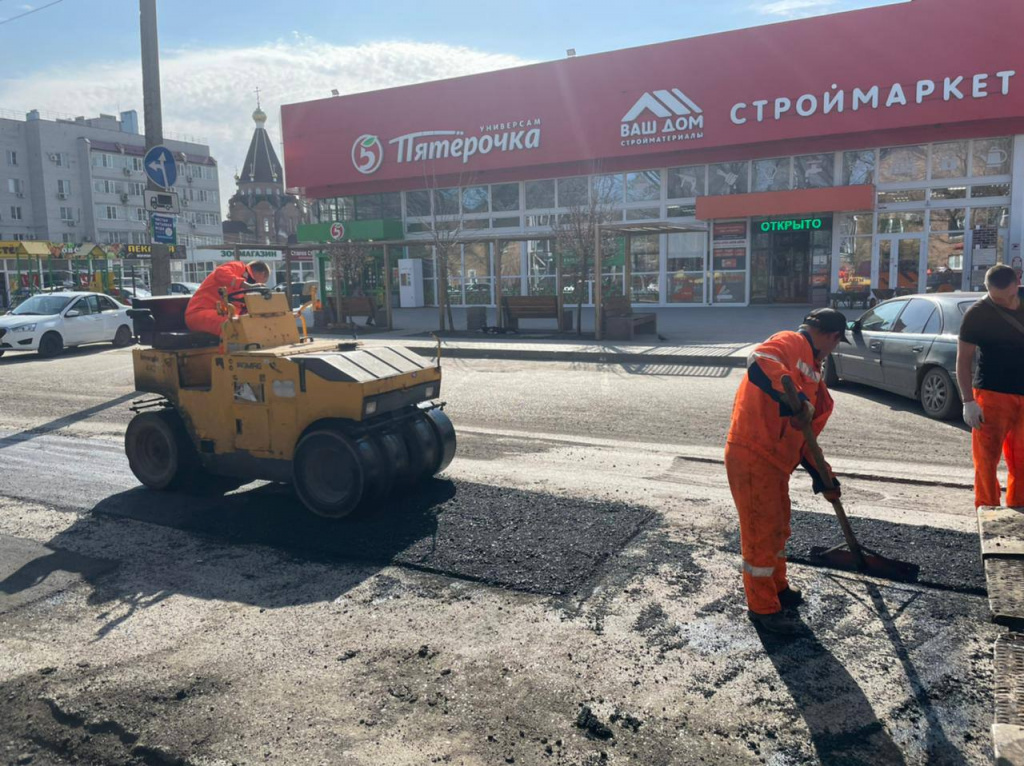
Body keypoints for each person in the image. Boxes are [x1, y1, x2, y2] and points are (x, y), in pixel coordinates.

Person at [725, 308, 848, 635]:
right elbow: (760, 360)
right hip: (753, 452)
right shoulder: (791, 342)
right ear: (833, 337)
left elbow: (806, 440)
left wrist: (825, 477)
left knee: (778, 529)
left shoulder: (815, 378)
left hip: (775, 464)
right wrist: (789, 394)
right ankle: (763, 609)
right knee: (760, 532)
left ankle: (777, 588)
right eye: (837, 343)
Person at [957, 264, 1024, 508]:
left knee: (1022, 461)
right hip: (992, 394)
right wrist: (968, 401)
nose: (1003, 302)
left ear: (1018, 282)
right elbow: (963, 360)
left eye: (1008, 297)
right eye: (996, 298)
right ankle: (987, 510)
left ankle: (1019, 510)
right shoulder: (977, 314)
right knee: (986, 461)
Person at [185, 260, 271, 336]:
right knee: (236, 326)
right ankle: (234, 354)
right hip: (199, 313)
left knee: (252, 323)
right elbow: (220, 272)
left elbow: (236, 308)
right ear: (263, 274)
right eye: (263, 281)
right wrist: (246, 285)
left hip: (220, 312)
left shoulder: (245, 288)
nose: (260, 284)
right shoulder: (239, 267)